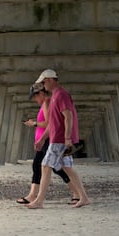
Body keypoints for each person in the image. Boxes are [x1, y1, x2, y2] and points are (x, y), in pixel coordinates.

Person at [33, 69, 89, 208]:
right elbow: (53, 122)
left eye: (43, 82)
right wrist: (42, 139)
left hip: (60, 139)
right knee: (67, 167)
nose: (43, 86)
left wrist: (67, 138)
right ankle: (84, 198)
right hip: (57, 138)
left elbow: (68, 116)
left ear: (51, 80)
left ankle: (39, 201)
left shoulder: (61, 95)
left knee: (45, 166)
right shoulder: (55, 96)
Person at [16, 85, 70, 207]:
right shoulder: (46, 103)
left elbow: (49, 123)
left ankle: (77, 191)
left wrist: (34, 123)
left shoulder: (46, 102)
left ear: (40, 93)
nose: (35, 100)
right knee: (39, 166)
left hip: (47, 139)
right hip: (46, 139)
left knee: (56, 168)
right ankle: (32, 195)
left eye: (35, 97)